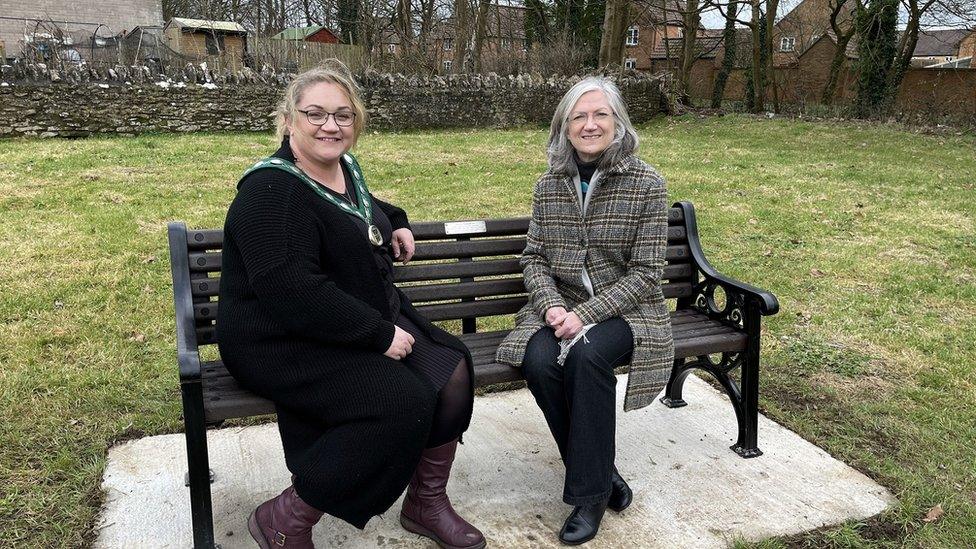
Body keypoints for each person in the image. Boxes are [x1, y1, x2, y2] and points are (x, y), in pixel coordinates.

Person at [217, 61, 486, 549]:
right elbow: (290, 290)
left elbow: (360, 208)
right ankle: (286, 516)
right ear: (288, 120)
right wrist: (378, 335)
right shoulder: (270, 191)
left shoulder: (343, 168)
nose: (330, 125)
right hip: (278, 337)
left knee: (453, 374)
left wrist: (397, 220)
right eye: (315, 114)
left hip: (347, 313)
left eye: (343, 115)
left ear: (356, 122)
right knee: (398, 403)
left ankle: (426, 503)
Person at [496, 76, 675, 545]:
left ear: (618, 123)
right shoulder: (549, 184)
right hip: (558, 307)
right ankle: (604, 474)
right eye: (579, 116)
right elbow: (533, 257)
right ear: (564, 126)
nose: (590, 124)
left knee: (586, 356)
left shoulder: (647, 183)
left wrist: (588, 315)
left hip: (628, 310)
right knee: (536, 359)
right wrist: (553, 305)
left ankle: (589, 497)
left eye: (600, 114)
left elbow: (646, 273)